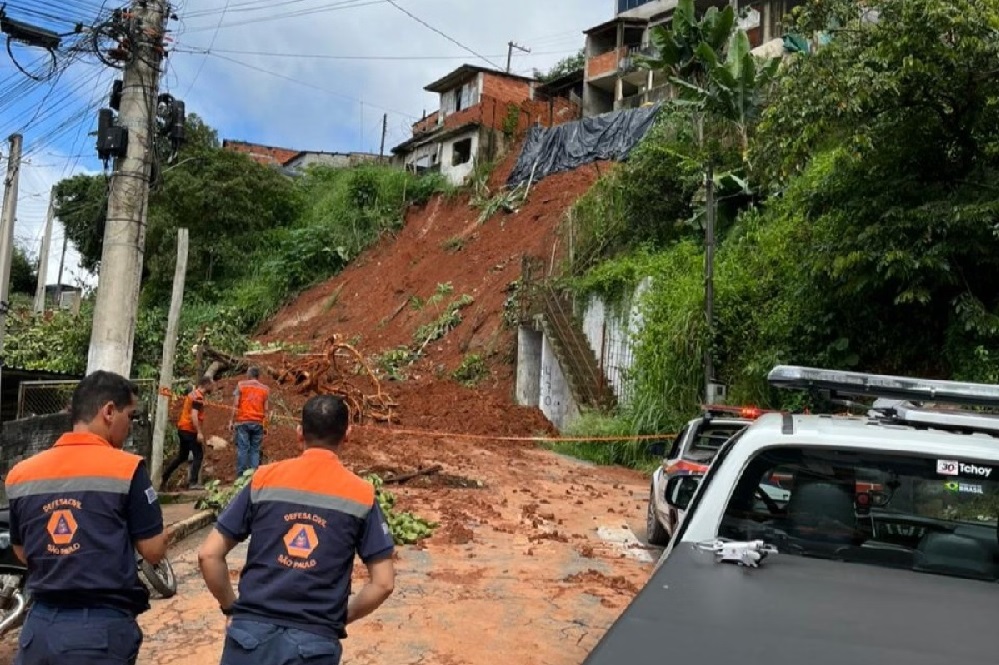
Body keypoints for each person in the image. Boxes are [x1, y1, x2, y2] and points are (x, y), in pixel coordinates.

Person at [199, 394, 395, 665]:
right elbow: (383, 582)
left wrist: (232, 607)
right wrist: (340, 617)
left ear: (299, 433)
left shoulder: (264, 479)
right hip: (314, 643)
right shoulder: (361, 495)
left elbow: (209, 555)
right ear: (347, 435)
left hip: (249, 635)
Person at [5, 370, 167, 665]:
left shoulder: (21, 474)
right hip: (98, 632)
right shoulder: (126, 469)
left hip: (38, 628)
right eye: (129, 416)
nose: (129, 427)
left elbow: (22, 551)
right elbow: (154, 550)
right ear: (108, 411)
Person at [164, 375, 215, 490]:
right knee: (198, 455)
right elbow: (194, 416)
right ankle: (193, 483)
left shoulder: (193, 394)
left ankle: (165, 476)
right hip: (189, 429)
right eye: (212, 385)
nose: (213, 387)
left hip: (182, 428)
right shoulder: (198, 397)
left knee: (182, 456)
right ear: (206, 385)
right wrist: (199, 432)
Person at [228, 367, 270, 476]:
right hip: (258, 423)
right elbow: (266, 410)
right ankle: (253, 477)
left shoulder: (241, 385)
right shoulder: (265, 389)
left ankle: (241, 477)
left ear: (249, 375)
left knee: (243, 449)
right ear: (258, 376)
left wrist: (231, 421)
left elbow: (236, 405)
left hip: (243, 422)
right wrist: (266, 426)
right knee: (255, 450)